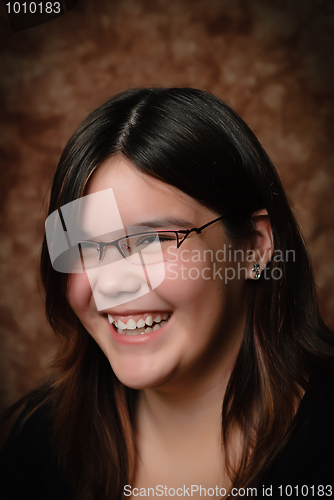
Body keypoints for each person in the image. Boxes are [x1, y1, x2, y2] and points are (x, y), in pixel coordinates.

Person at [0, 87, 333, 500]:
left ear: (256, 247)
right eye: (84, 246)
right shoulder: (36, 450)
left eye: (152, 239)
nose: (112, 282)